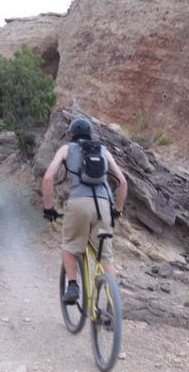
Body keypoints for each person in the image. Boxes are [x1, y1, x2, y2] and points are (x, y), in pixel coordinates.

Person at [41, 118, 128, 304]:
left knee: (69, 246)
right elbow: (123, 183)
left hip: (78, 204)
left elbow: (48, 178)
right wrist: (117, 211)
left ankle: (72, 285)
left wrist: (48, 208)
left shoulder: (66, 149)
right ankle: (113, 307)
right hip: (104, 206)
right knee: (105, 257)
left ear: (72, 134)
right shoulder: (103, 150)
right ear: (90, 134)